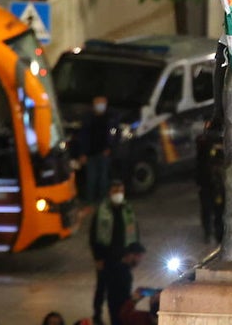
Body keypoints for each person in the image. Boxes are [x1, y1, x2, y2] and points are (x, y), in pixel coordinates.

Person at [90, 179, 145, 325]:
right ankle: (98, 316)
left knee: (124, 290)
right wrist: (98, 258)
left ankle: (122, 317)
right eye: (115, 191)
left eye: (121, 191)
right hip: (107, 260)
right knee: (104, 290)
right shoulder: (102, 212)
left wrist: (136, 253)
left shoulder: (127, 210)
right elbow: (94, 237)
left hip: (124, 259)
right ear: (110, 192)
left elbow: (135, 232)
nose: (119, 194)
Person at [79, 95, 119, 205]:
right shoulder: (88, 118)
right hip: (90, 154)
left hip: (104, 153)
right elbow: (83, 137)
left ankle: (103, 201)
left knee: (103, 179)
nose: (100, 106)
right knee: (91, 179)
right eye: (98, 103)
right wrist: (82, 153)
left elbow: (115, 135)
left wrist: (110, 148)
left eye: (102, 103)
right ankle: (90, 201)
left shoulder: (111, 118)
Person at [194, 119, 224, 244]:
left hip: (217, 181)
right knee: (211, 209)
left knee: (216, 210)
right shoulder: (204, 140)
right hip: (208, 181)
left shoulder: (219, 140)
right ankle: (212, 233)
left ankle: (217, 234)